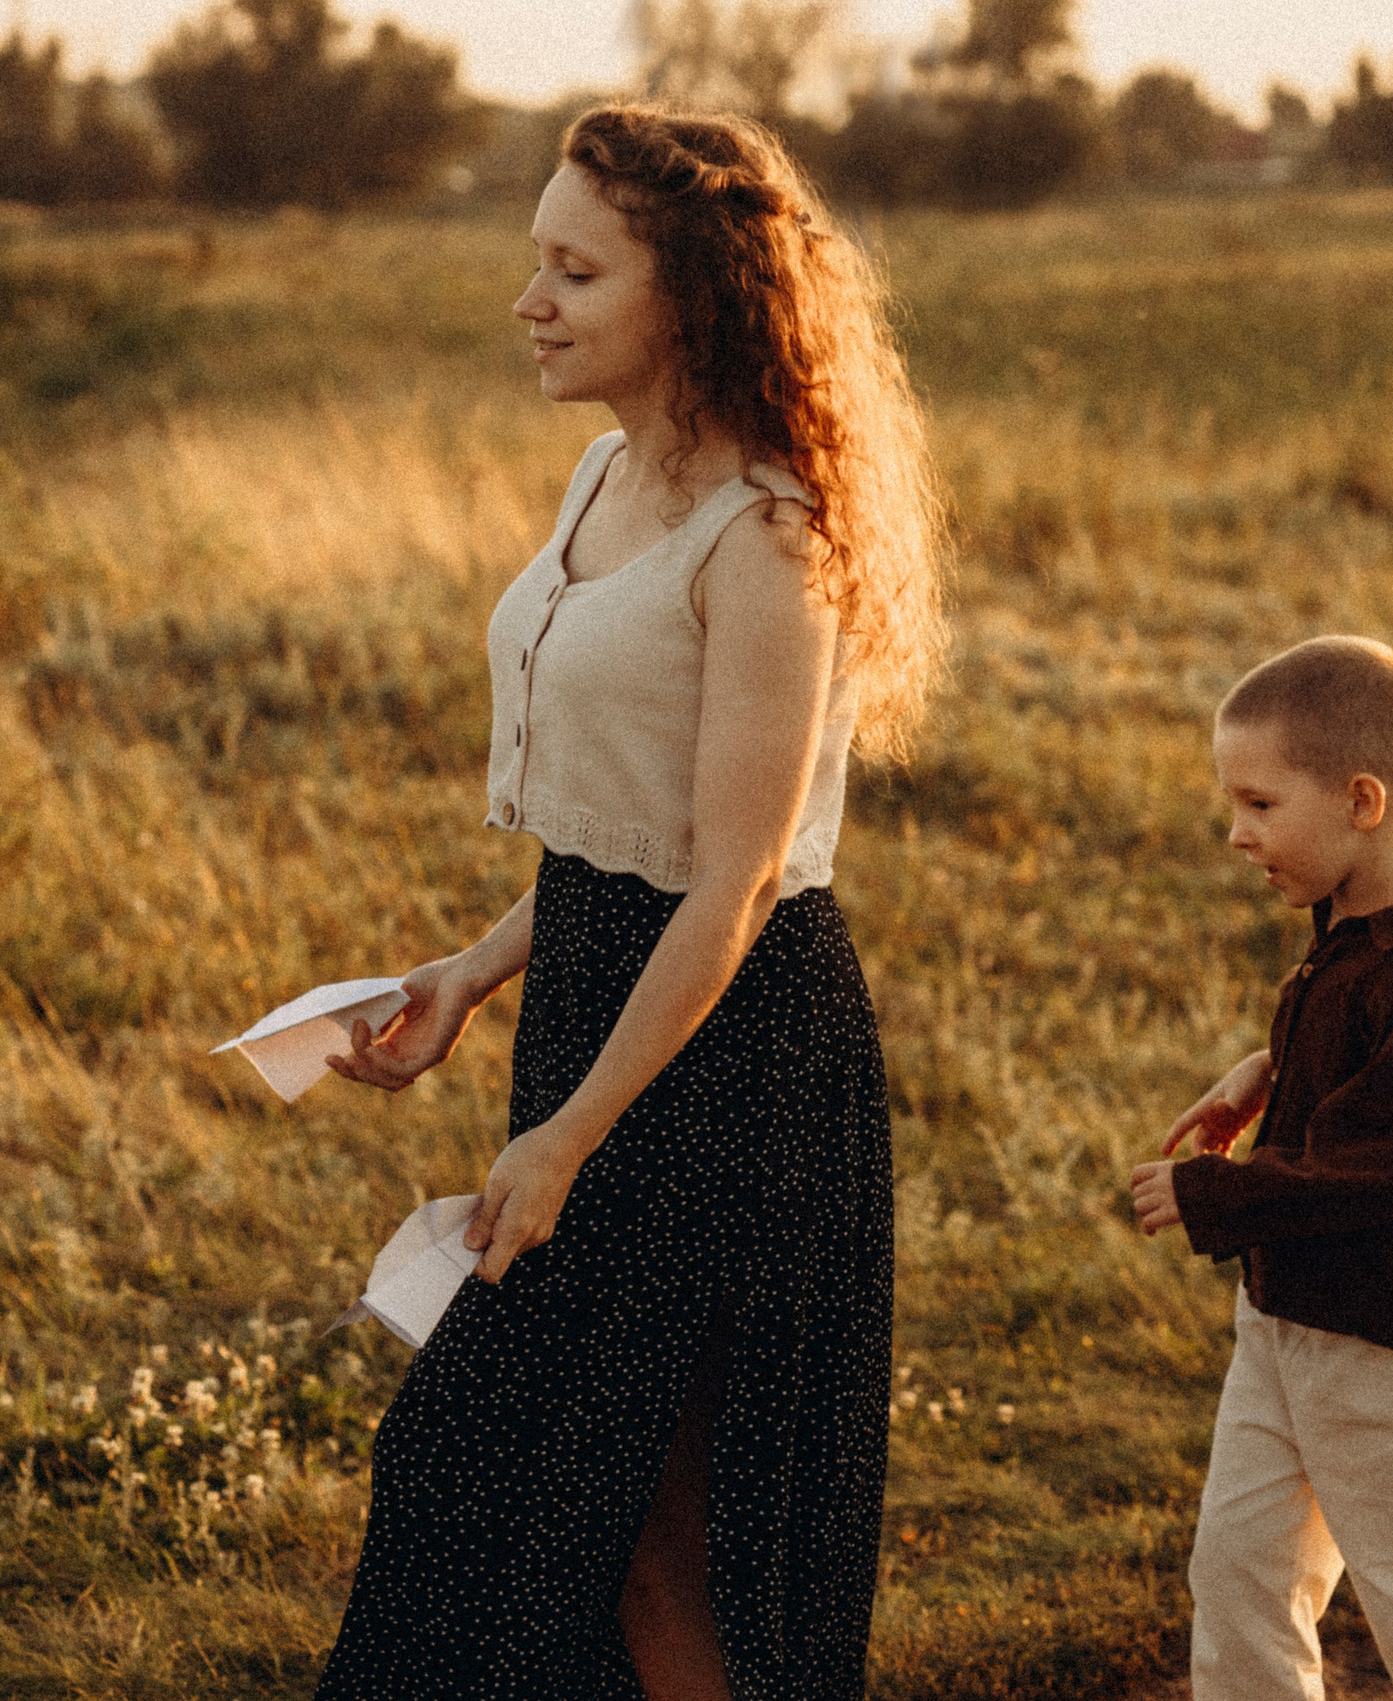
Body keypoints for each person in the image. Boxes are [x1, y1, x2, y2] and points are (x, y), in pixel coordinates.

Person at [314, 106, 947, 1700]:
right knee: (603, 1520)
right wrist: (475, 969)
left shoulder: (771, 538)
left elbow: (735, 880)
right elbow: (628, 837)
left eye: (577, 271)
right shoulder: (604, 475)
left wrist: (568, 1134)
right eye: (537, 260)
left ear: (694, 294)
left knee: (634, 1509)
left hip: (728, 1060)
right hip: (602, 1008)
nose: (529, 300)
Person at [1129, 635, 1393, 1701]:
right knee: (1241, 1582)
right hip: (1290, 1324)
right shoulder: (1356, 929)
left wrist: (1217, 1194)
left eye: (1260, 805)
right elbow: (1359, 1055)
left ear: (1362, 801)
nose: (1237, 833)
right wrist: (1270, 1069)